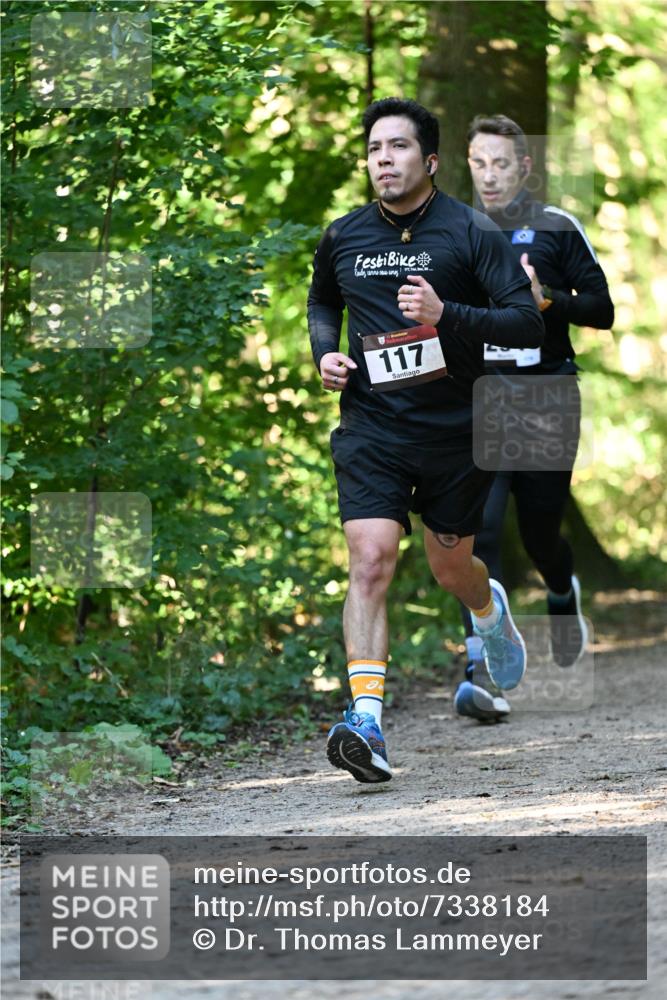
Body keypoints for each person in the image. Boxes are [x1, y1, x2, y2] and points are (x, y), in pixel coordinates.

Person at [307, 98, 544, 784]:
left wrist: (448, 316)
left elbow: (525, 323)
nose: (383, 158)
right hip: (373, 427)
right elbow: (324, 301)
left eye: (398, 147)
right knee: (370, 558)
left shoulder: (470, 233)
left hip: (455, 433)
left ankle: (484, 607)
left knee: (451, 570)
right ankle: (368, 723)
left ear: (430, 160)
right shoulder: (344, 235)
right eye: (374, 147)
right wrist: (325, 354)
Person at [454, 114, 614, 723]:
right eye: (479, 162)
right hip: (481, 397)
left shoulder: (555, 226)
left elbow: (603, 310)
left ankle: (560, 592)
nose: (489, 176)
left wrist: (550, 299)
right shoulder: (451, 230)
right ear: (466, 164)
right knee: (478, 532)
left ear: (525, 167)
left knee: (540, 533)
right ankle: (482, 671)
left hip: (546, 394)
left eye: (501, 163)